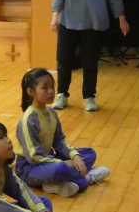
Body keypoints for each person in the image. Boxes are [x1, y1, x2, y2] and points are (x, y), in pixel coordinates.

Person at [50, 0, 129, 112]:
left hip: (93, 24)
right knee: (64, 61)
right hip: (68, 22)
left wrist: (122, 18)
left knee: (90, 63)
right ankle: (62, 95)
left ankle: (89, 97)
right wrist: (54, 17)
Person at [16, 68, 111, 197]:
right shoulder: (28, 119)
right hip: (29, 168)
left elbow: (59, 142)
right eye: (44, 88)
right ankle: (85, 178)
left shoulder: (52, 113)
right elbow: (34, 157)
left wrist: (75, 156)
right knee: (60, 169)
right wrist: (64, 163)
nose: (51, 91)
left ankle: (58, 182)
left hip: (49, 159)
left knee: (89, 153)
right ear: (31, 92)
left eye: (52, 86)